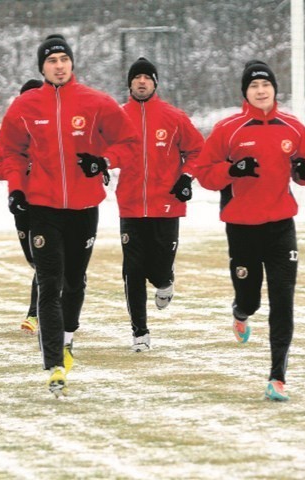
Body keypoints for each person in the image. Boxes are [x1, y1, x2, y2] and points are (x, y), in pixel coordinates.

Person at [0, 35, 138, 397]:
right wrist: (16, 189)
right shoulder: (25, 106)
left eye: (63, 59)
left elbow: (129, 142)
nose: (58, 65)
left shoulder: (96, 102)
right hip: (42, 208)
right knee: (49, 282)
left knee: (74, 281)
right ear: (41, 67)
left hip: (83, 208)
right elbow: (10, 152)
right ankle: (54, 363)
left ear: (72, 63)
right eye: (51, 60)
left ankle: (68, 338)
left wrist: (104, 161)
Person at [196, 60, 305, 401]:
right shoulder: (229, 129)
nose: (261, 91)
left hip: (281, 227)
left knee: (283, 299)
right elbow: (204, 172)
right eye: (254, 86)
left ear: (274, 89)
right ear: (245, 93)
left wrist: (304, 170)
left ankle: (277, 376)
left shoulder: (292, 127)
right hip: (242, 227)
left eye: (266, 85)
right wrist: (234, 169)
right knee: (250, 298)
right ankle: (241, 312)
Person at [116, 57, 204, 352]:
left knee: (159, 269)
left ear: (155, 83)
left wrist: (186, 178)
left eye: (147, 78)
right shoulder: (117, 116)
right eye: (136, 77)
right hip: (130, 206)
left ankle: (165, 281)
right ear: (129, 83)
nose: (142, 82)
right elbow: (101, 150)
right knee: (132, 270)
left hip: (166, 205)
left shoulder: (174, 116)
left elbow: (198, 152)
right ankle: (139, 332)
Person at [0, 78, 44, 336]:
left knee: (44, 260)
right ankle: (66, 281)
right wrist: (21, 171)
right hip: (22, 204)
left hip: (49, 203)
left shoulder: (53, 128)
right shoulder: (12, 130)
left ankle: (34, 314)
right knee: (34, 261)